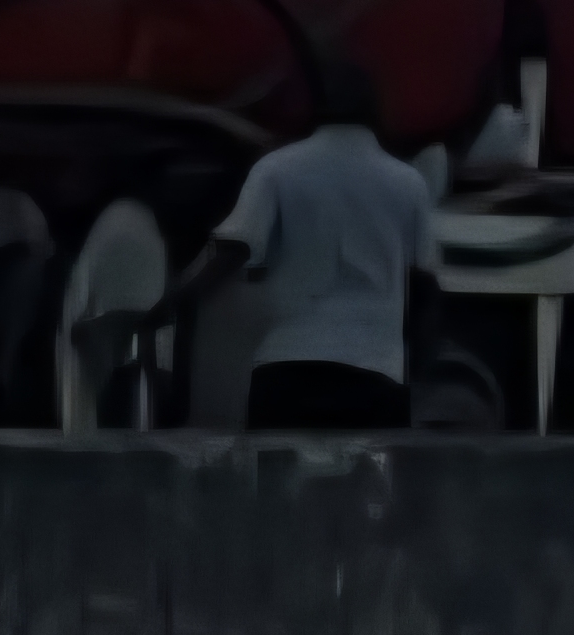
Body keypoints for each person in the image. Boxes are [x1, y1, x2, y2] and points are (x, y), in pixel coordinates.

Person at [101, 57, 443, 432]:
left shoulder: (278, 168)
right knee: (367, 490)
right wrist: (418, 368)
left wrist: (168, 306)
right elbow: (425, 285)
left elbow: (230, 250)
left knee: (279, 487)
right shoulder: (408, 184)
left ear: (316, 105)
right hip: (375, 373)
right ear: (376, 109)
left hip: (288, 370)